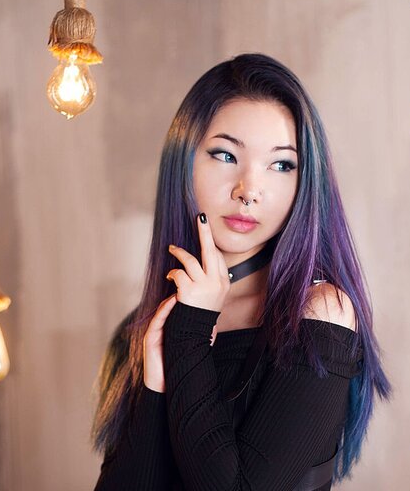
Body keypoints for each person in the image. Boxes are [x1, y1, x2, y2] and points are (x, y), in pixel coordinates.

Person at [91, 53, 391, 490]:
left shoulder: (319, 314)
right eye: (225, 155)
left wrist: (189, 335)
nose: (248, 190)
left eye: (282, 164)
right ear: (184, 164)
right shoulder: (142, 331)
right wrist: (155, 385)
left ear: (305, 182)